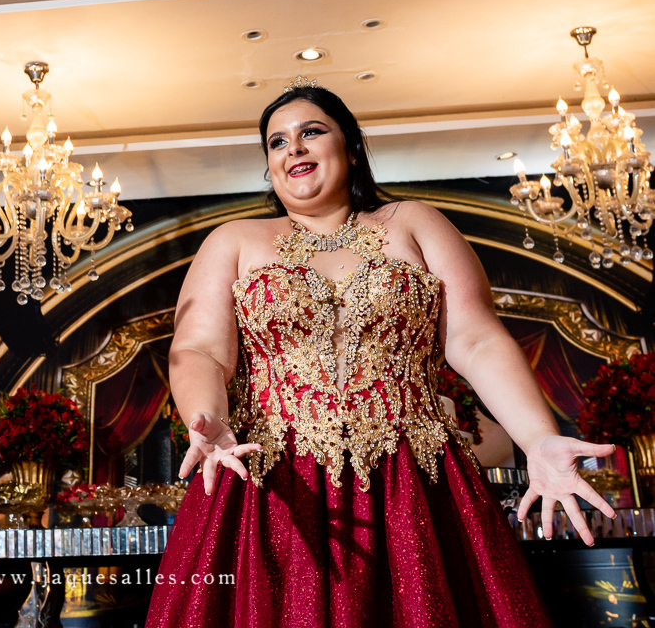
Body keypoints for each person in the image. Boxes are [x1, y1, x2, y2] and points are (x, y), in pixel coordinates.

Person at [147, 83, 616, 627]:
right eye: (277, 142)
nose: (293, 148)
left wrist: (538, 439)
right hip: (272, 480)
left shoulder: (415, 223)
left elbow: (475, 339)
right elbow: (199, 348)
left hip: (411, 482)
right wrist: (209, 420)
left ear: (351, 147)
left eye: (311, 132)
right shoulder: (234, 240)